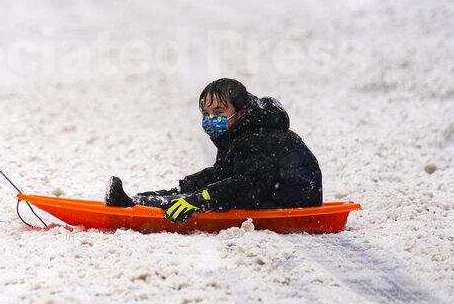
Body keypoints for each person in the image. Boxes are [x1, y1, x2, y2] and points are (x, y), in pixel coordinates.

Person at [104, 78, 321, 223]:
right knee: (196, 194)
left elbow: (248, 187)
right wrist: (182, 188)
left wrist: (200, 199)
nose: (211, 120)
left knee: (200, 199)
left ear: (241, 111)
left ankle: (133, 205)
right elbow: (223, 173)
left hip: (289, 201)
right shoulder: (238, 132)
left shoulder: (260, 137)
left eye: (218, 111)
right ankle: (140, 200)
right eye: (206, 113)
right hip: (267, 194)